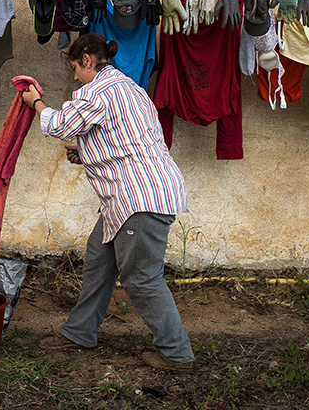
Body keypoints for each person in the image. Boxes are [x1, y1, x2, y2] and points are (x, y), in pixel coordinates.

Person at [21, 32, 196, 371]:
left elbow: (59, 125)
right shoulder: (132, 89)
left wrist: (36, 103)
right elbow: (123, 139)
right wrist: (85, 153)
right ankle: (78, 333)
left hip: (137, 197)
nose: (74, 77)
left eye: (75, 68)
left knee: (142, 278)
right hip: (135, 195)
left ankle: (177, 354)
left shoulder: (97, 91)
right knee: (99, 259)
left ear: (87, 59)